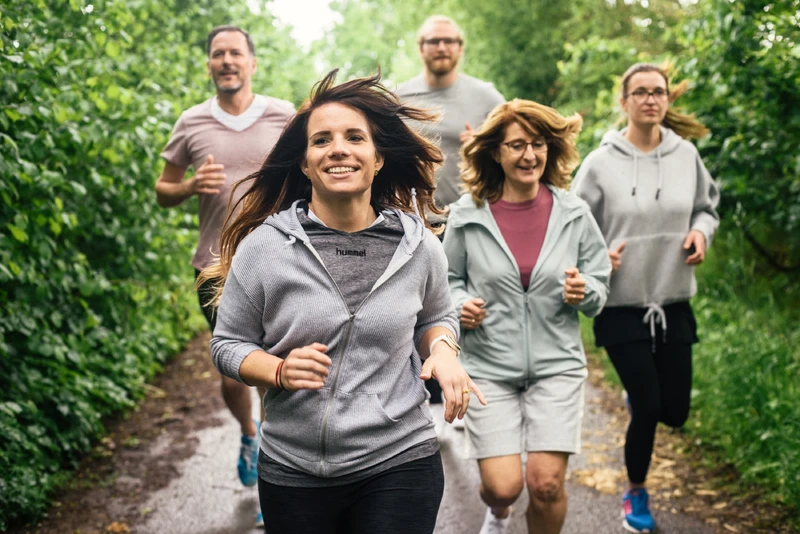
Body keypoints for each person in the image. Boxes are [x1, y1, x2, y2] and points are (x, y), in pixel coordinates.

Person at [201, 69, 486, 534]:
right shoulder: (265, 247)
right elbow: (227, 344)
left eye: (355, 137)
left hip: (401, 458)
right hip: (294, 467)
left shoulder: (418, 246)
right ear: (306, 164)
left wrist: (443, 351)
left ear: (376, 160)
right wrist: (277, 370)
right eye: (322, 140)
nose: (338, 148)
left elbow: (437, 314)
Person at [443, 99, 611, 534]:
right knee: (502, 488)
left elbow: (598, 280)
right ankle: (497, 513)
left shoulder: (573, 213)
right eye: (516, 145)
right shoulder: (467, 213)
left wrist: (584, 290)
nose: (529, 155)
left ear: (550, 150)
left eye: (538, 144)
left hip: (557, 365)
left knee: (546, 486)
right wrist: (460, 305)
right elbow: (446, 280)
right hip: (489, 367)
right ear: (495, 152)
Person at [154, 25, 294, 523]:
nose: (227, 61)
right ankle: (248, 433)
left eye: (236, 53)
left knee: (270, 368)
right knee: (233, 372)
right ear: (210, 64)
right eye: (218, 54)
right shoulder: (191, 122)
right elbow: (162, 189)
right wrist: (190, 186)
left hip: (279, 259)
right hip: (214, 266)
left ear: (253, 62)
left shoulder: (284, 115)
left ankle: (272, 480)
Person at [572, 63, 720, 533]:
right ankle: (635, 492)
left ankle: (643, 401)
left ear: (667, 100)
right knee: (651, 406)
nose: (650, 100)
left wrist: (701, 231)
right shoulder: (599, 162)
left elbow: (707, 207)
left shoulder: (686, 155)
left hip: (673, 299)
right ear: (624, 102)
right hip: (619, 305)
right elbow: (572, 224)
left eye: (658, 92)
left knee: (674, 412)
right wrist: (597, 259)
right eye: (640, 92)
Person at [396, 14, 504, 423]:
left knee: (468, 306)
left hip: (472, 221)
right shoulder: (398, 97)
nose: (441, 47)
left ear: (460, 47)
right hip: (411, 222)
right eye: (433, 41)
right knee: (414, 310)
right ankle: (421, 395)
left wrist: (484, 147)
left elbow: (511, 149)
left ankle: (464, 393)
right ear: (420, 47)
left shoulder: (485, 95)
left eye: (449, 41)